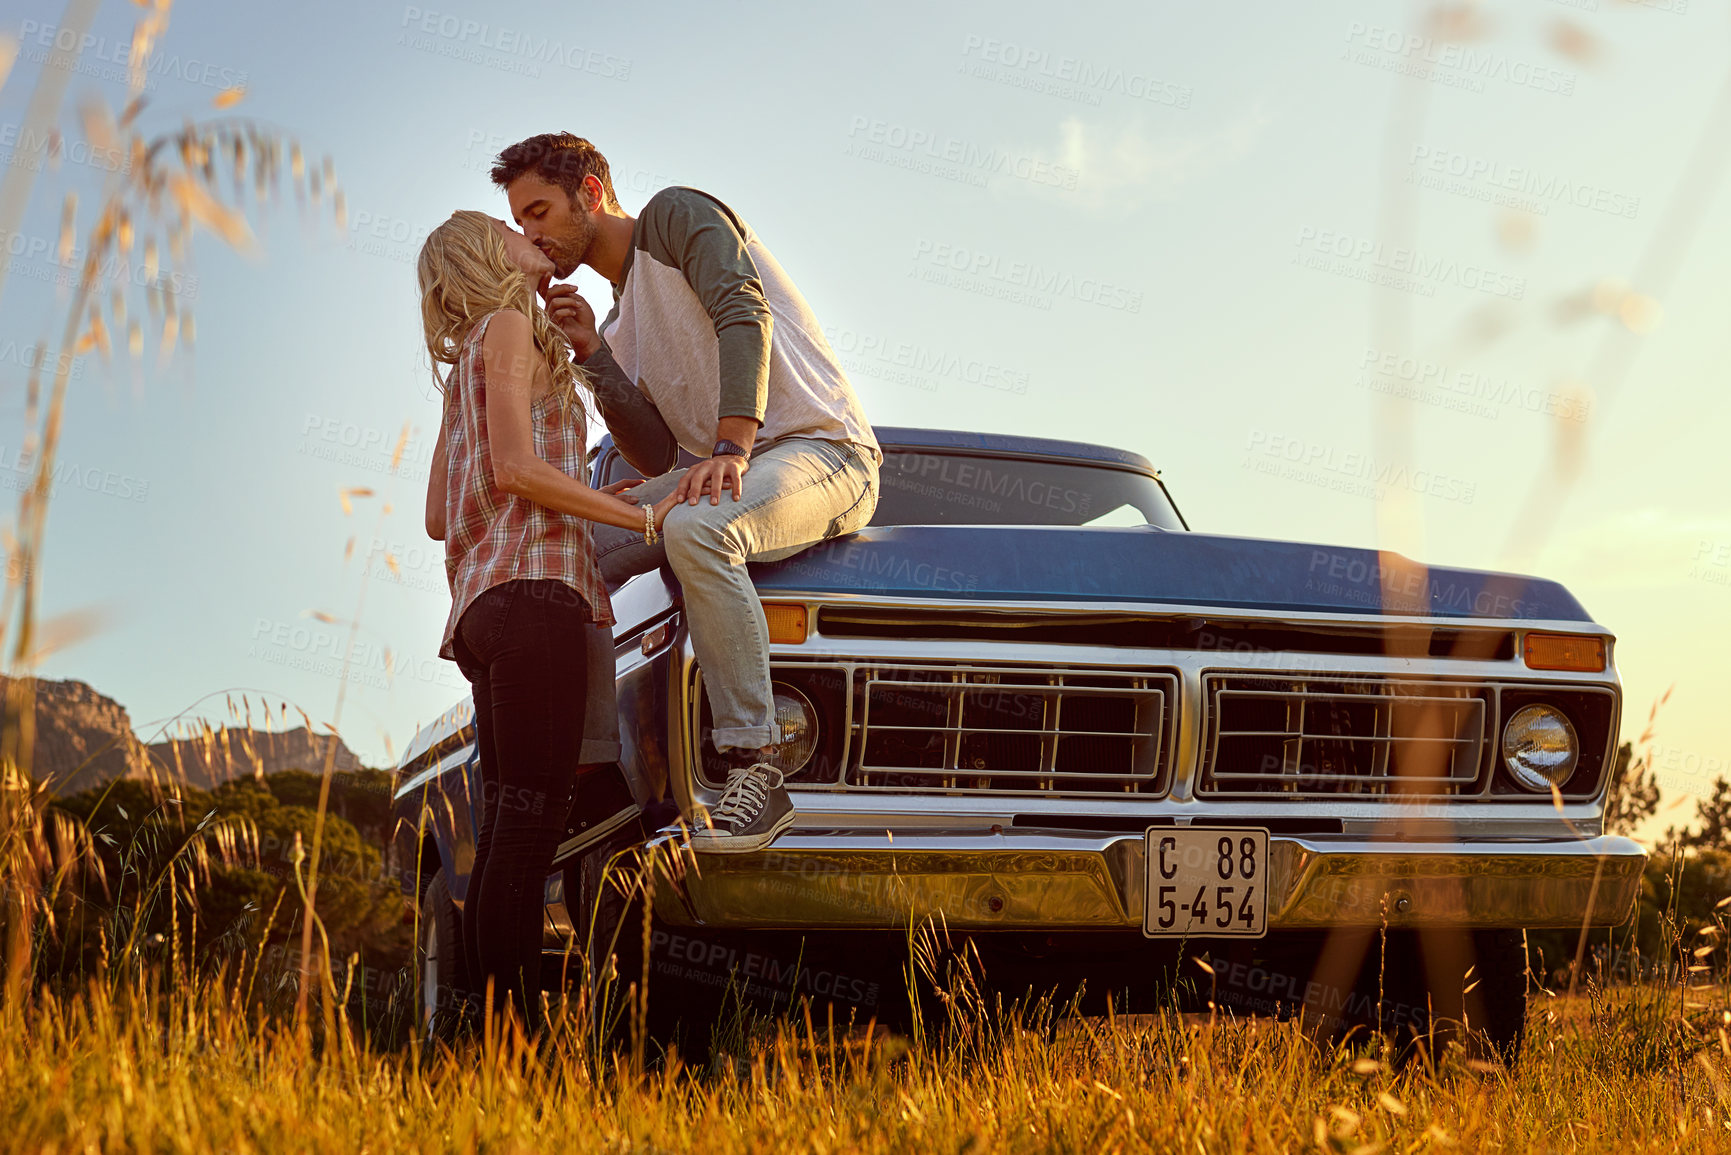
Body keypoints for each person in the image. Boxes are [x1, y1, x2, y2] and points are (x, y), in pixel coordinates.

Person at [491, 133, 881, 854]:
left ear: (591, 192)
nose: (531, 234)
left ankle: (756, 766)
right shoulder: (615, 318)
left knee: (697, 529)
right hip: (731, 465)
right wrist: (595, 358)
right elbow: (663, 452)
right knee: (570, 546)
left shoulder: (674, 217)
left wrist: (732, 444)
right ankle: (594, 772)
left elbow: (742, 311)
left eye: (539, 211)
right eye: (520, 223)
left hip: (821, 451)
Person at [418, 209, 678, 1031]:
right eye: (504, 226)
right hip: (537, 599)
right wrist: (634, 521)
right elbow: (518, 470)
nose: (522, 229)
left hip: (483, 609)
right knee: (528, 835)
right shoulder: (506, 327)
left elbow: (437, 513)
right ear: (482, 255)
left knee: (509, 825)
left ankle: (503, 1040)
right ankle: (520, 1042)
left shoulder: (468, 361)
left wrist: (613, 501)